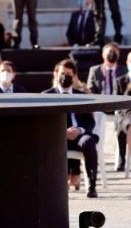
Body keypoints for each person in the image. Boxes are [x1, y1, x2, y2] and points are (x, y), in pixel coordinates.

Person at [43, 59, 100, 198]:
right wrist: (63, 131)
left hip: (79, 134)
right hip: (57, 135)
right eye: (63, 73)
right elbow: (44, 122)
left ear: (74, 76)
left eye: (69, 73)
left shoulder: (82, 96)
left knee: (89, 141)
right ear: (56, 74)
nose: (66, 76)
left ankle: (91, 186)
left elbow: (89, 122)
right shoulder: (46, 95)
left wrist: (79, 130)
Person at [86, 42, 127, 169]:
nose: (112, 54)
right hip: (101, 106)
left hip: (119, 106)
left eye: (114, 52)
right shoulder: (95, 70)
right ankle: (94, 154)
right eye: (109, 51)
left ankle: (121, 157)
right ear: (103, 54)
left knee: (122, 124)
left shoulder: (124, 70)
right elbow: (90, 89)